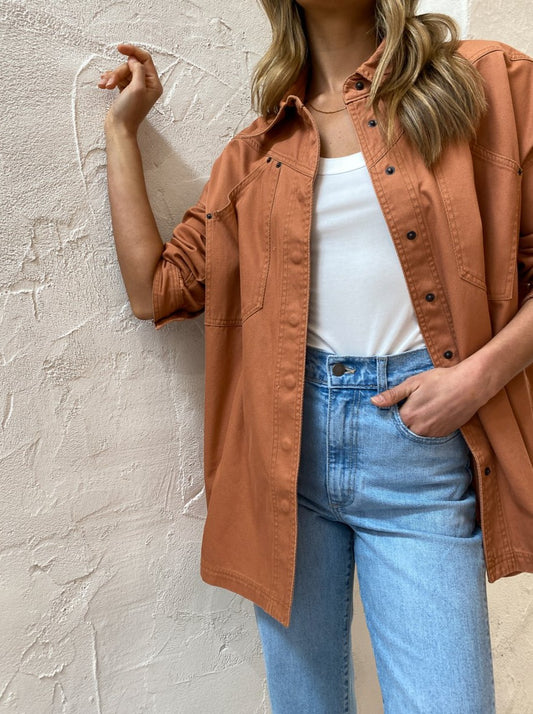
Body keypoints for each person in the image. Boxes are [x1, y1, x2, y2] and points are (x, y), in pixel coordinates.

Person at [99, 0, 533, 711]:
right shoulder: (257, 154)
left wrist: (473, 381)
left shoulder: (482, 82)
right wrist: (122, 130)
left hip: (420, 458)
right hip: (285, 460)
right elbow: (157, 290)